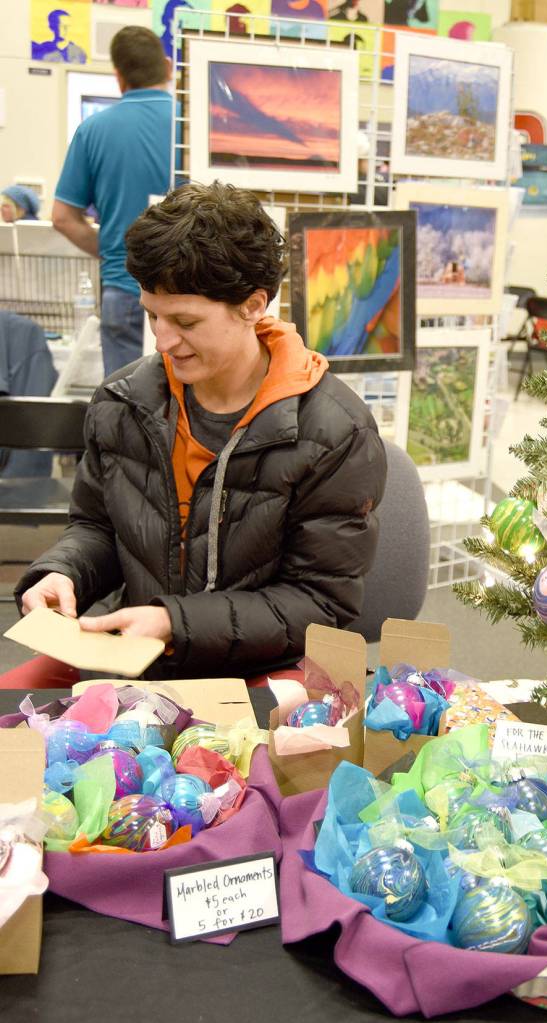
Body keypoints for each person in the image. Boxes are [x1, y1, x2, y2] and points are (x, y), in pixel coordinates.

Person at [14, 181, 387, 683]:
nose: (164, 341)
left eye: (185, 321)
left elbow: (321, 602)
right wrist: (63, 572)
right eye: (152, 315)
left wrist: (175, 623)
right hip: (135, 657)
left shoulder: (336, 431)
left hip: (265, 666)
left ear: (254, 306)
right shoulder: (122, 401)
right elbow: (98, 528)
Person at [52, 26, 172, 377]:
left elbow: (62, 217)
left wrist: (112, 249)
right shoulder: (192, 127)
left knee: (126, 411)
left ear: (119, 77)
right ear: (167, 68)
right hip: (191, 293)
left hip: (123, 287)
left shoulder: (93, 130)